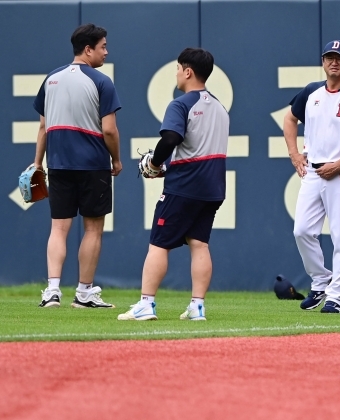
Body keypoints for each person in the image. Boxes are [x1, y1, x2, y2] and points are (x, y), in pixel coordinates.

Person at [117, 48, 229, 321]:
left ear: (188, 71)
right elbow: (198, 152)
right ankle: (197, 307)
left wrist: (155, 164)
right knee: (199, 244)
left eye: (179, 69)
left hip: (184, 188)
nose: (177, 74)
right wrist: (167, 167)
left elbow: (170, 140)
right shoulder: (220, 107)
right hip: (212, 188)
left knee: (159, 244)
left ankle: (146, 304)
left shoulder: (180, 104)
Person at [34, 23, 122, 309]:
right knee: (93, 229)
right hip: (93, 165)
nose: (106, 52)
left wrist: (37, 163)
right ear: (88, 50)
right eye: (103, 46)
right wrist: (117, 159)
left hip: (58, 164)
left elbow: (44, 127)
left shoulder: (51, 79)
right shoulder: (101, 81)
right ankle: (84, 293)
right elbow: (109, 130)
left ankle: (52, 291)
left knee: (58, 229)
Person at [284, 41, 340, 314]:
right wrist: (294, 154)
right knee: (301, 230)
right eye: (329, 57)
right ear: (323, 62)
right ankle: (321, 279)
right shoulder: (312, 91)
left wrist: (338, 165)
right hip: (313, 170)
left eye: (339, 58)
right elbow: (290, 119)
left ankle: (336, 295)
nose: (333, 62)